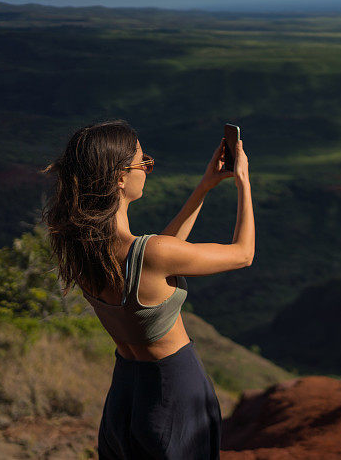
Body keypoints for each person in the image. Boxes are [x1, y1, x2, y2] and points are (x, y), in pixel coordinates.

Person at [40, 119, 254, 459]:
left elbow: (159, 255)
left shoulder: (82, 251)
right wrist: (242, 180)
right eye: (144, 162)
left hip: (124, 397)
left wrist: (204, 188)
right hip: (174, 395)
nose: (148, 170)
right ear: (121, 177)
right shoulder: (150, 254)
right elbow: (243, 254)